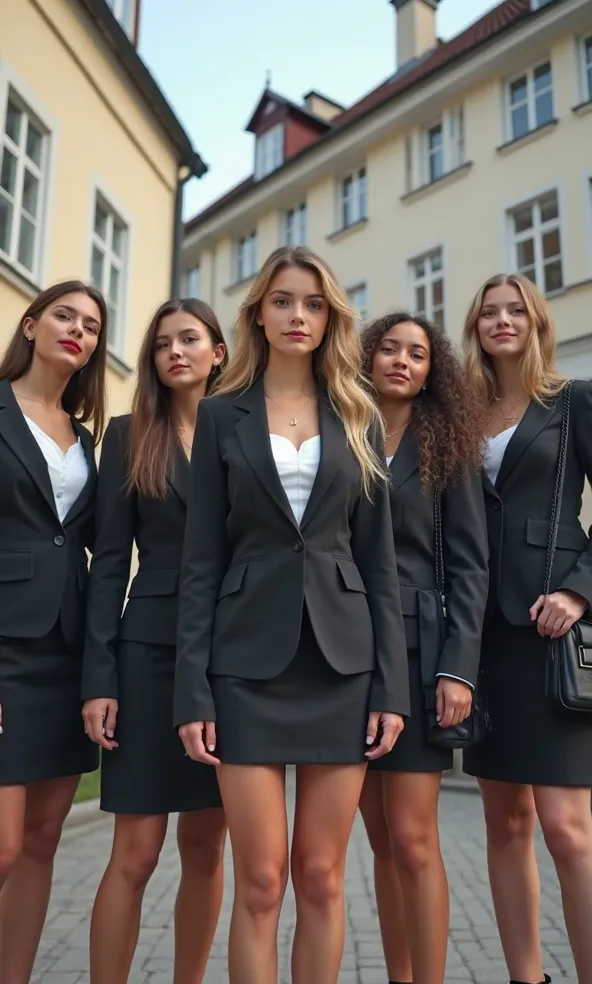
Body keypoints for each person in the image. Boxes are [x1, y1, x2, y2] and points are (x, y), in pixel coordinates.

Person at [173, 245, 410, 984]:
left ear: (329, 315)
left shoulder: (360, 414)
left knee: (321, 877)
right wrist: (193, 691)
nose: (297, 315)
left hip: (343, 665)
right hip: (242, 667)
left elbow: (379, 564)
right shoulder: (219, 417)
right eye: (282, 301)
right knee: (263, 882)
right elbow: (200, 562)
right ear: (258, 314)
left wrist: (391, 690)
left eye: (312, 303)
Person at [81, 298, 228, 984]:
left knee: (206, 846)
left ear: (218, 352)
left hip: (231, 656)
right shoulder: (128, 432)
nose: (176, 351)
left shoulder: (248, 433)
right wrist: (100, 677)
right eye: (164, 342)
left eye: (190, 338)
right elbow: (109, 564)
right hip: (147, 652)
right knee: (135, 851)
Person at [462, 272, 592, 984]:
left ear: (537, 322)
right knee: (504, 824)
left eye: (515, 310)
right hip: (481, 637)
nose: (502, 320)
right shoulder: (463, 413)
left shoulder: (571, 403)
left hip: (551, 632)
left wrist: (579, 592)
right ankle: (525, 977)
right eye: (489, 312)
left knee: (569, 834)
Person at [358, 312, 489, 984]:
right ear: (368, 358)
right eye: (389, 349)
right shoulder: (341, 431)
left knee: (412, 838)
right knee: (378, 839)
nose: (402, 361)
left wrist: (457, 667)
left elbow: (470, 565)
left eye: (417, 353)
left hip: (416, 651)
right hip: (344, 652)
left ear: (432, 368)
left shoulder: (449, 445)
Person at [0, 280, 107, 983]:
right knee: (3, 846)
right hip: (5, 648)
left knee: (41, 842)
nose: (77, 330)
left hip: (66, 652)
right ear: (32, 325)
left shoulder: (88, 436)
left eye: (92, 325)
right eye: (64, 315)